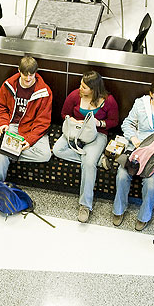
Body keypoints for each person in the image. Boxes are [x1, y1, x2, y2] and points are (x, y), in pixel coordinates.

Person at [112, 80, 154, 230]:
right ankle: (119, 210)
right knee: (122, 175)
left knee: (151, 183)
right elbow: (127, 124)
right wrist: (134, 139)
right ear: (151, 95)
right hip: (139, 147)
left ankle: (144, 216)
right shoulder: (141, 104)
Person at [52, 71, 119, 223]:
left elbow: (114, 121)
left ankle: (85, 205)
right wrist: (75, 121)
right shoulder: (75, 96)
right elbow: (64, 114)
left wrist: (99, 123)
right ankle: (98, 159)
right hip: (75, 130)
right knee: (58, 150)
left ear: (94, 89)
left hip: (97, 134)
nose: (80, 88)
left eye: (84, 87)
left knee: (88, 164)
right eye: (81, 85)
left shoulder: (108, 101)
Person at [0, 56, 52, 191]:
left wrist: (29, 140)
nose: (28, 79)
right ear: (19, 71)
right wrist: (3, 124)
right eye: (25, 75)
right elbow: (1, 108)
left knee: (45, 154)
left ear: (36, 72)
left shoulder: (45, 92)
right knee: (2, 150)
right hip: (11, 125)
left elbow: (43, 122)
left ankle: (4, 151)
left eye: (31, 75)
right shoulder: (8, 85)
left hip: (31, 128)